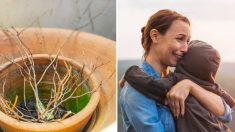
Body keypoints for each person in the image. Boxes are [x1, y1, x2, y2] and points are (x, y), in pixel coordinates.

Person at [119, 9, 232, 132]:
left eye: (187, 41)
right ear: (155, 36)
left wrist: (190, 86)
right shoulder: (136, 90)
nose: (186, 48)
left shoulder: (180, 80)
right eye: (180, 39)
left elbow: (226, 113)